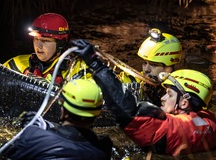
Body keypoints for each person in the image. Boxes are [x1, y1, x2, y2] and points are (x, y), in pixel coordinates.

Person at [70, 39, 216, 156]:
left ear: (184, 103)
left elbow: (128, 111)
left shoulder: (169, 128)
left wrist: (96, 64)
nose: (163, 98)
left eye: (169, 94)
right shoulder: (209, 121)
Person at [3, 79, 113, 159]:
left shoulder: (33, 136)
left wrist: (32, 129)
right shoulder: (104, 147)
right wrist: (47, 126)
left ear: (63, 109)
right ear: (97, 113)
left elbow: (4, 154)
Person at [1, 12, 91, 86]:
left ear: (61, 43)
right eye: (36, 39)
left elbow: (92, 100)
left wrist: (54, 90)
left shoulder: (79, 70)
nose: (38, 46)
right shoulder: (16, 65)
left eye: (45, 41)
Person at [118, 28, 182, 105]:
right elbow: (117, 82)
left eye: (154, 65)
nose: (146, 69)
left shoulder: (180, 91)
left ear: (168, 68)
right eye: (145, 63)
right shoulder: (133, 80)